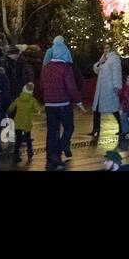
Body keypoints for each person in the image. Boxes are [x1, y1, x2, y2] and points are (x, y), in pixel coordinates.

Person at [39, 37, 83, 171]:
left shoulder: (46, 68)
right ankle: (57, 152)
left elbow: (41, 85)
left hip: (49, 105)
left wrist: (46, 100)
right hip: (63, 104)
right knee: (69, 128)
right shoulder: (65, 68)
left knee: (52, 132)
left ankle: (50, 160)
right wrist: (79, 101)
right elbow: (71, 87)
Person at [90, 42, 122, 138]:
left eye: (108, 48)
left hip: (109, 88)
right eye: (105, 48)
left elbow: (116, 72)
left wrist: (117, 86)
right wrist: (100, 62)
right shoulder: (104, 58)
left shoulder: (115, 58)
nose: (106, 50)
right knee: (96, 109)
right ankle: (96, 129)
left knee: (114, 109)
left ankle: (122, 127)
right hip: (101, 88)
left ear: (112, 48)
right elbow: (96, 70)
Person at [6, 81, 39, 163]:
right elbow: (36, 110)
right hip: (27, 123)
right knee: (28, 139)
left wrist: (8, 112)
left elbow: (11, 108)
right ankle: (30, 153)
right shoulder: (32, 100)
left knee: (18, 140)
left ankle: (16, 155)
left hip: (18, 122)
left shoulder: (18, 99)